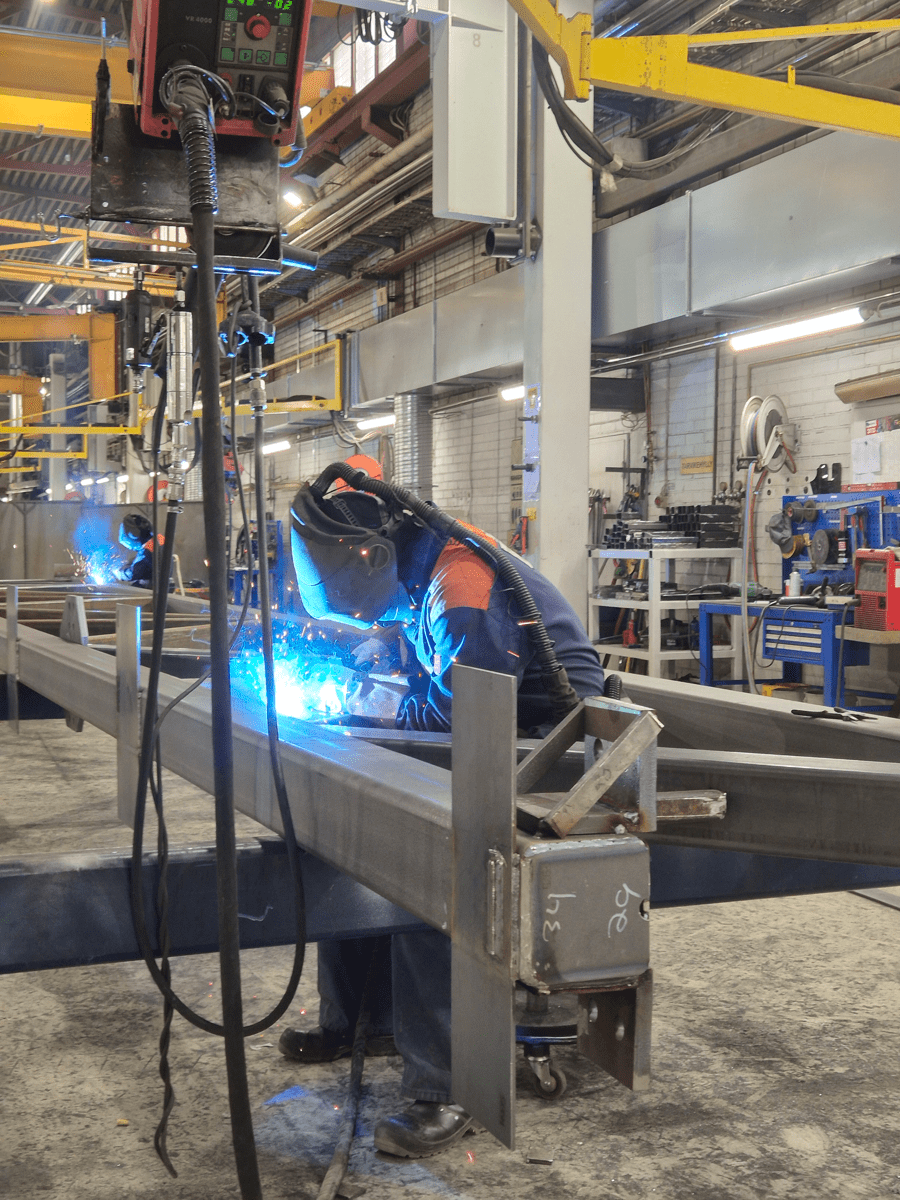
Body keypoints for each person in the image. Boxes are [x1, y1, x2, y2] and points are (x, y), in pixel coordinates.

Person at [281, 464, 605, 1158]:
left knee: (431, 862)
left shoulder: (461, 588)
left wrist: (378, 710)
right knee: (348, 825)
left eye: (350, 600)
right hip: (491, 736)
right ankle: (361, 1020)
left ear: (372, 556)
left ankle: (448, 1086)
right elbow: (433, 663)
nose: (357, 615)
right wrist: (380, 656)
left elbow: (465, 717)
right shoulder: (418, 563)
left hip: (552, 753)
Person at [117, 512, 157, 586]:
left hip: (152, 589)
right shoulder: (154, 541)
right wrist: (131, 562)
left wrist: (120, 573)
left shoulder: (148, 550)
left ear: (133, 536)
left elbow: (134, 573)